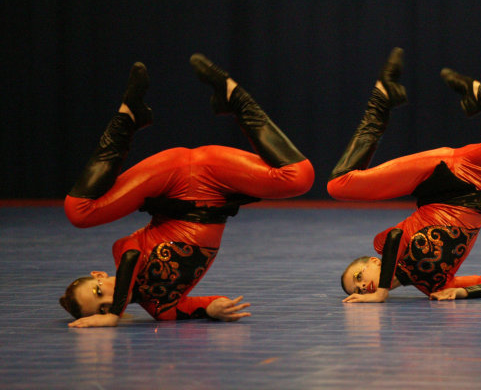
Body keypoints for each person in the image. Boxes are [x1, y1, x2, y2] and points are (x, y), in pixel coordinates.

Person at [60, 54, 314, 327]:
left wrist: (113, 315)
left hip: (170, 177)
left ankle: (127, 118)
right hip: (213, 183)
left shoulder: (122, 251)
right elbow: (204, 305)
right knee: (299, 178)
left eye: (99, 292)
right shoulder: (163, 309)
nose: (108, 301)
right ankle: (234, 98)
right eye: (102, 308)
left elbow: (132, 260)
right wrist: (215, 309)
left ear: (99, 275)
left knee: (78, 212)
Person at [328, 47, 481, 303]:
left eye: (358, 277)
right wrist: (463, 292)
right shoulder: (434, 286)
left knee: (339, 185)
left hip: (441, 176)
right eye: (358, 290)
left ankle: (381, 99)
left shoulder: (385, 246)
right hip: (478, 182)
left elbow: (394, 237)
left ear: (375, 262)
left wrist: (382, 291)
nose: (362, 286)